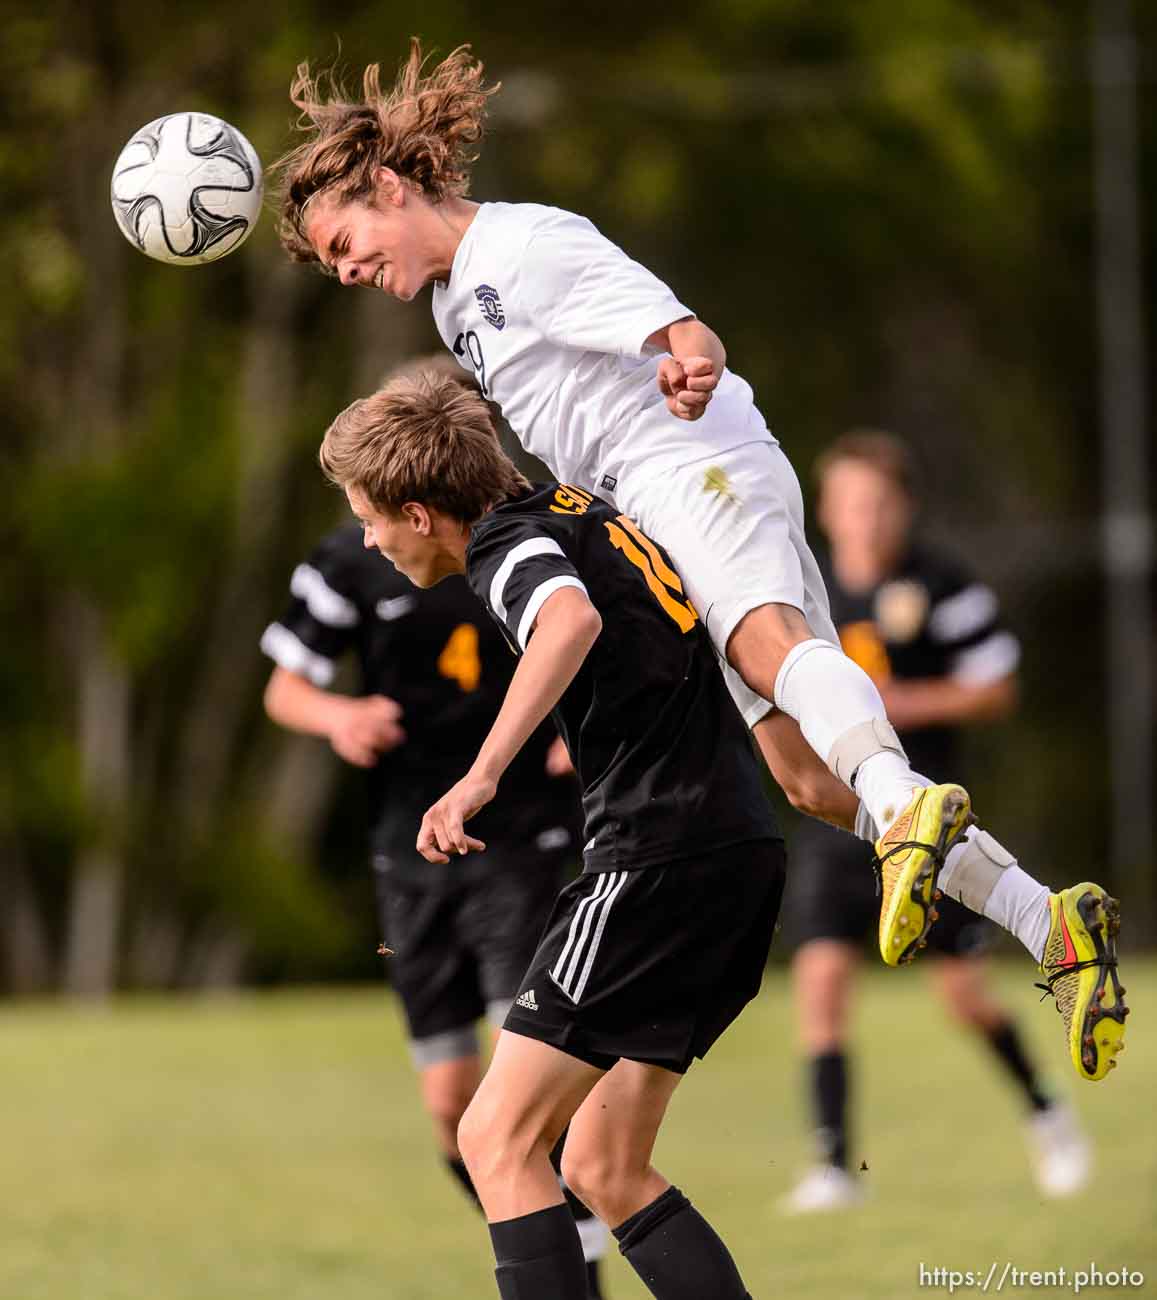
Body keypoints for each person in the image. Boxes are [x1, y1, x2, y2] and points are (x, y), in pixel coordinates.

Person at [270, 40, 1129, 1084]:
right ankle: (1053, 926)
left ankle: (903, 805)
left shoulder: (525, 246)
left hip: (690, 459)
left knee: (770, 648)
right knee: (805, 777)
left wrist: (687, 352)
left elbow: (667, 320)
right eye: (332, 267)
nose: (349, 270)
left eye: (346, 243)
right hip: (655, 500)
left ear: (392, 186)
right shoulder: (458, 305)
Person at [319, 369, 785, 1300]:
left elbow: (565, 619)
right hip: (736, 848)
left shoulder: (506, 546)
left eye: (369, 517)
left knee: (492, 1139)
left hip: (654, 859)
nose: (366, 539)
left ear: (418, 512)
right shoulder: (573, 505)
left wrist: (480, 775)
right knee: (606, 1166)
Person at [259, 392, 612, 1294]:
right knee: (454, 1109)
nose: (374, 532)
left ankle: (583, 1247)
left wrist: (584, 723)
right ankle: (570, 1235)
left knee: (515, 1085)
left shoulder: (512, 541)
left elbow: (584, 626)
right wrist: (338, 715)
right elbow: (285, 689)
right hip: (408, 841)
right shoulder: (352, 559)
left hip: (521, 831)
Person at [780, 431, 1090, 1212]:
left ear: (904, 508)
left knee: (964, 997)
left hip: (930, 818)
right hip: (841, 819)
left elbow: (994, 688)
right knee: (819, 981)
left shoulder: (940, 581)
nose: (865, 518)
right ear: (828, 509)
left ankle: (1046, 1113)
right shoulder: (803, 587)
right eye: (850, 503)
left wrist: (906, 703)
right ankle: (830, 1164)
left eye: (879, 503)